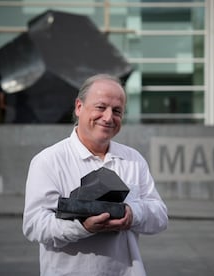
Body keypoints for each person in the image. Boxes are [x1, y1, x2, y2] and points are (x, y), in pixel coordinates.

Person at [23, 74, 168, 276]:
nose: (108, 117)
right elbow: (34, 226)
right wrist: (83, 227)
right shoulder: (48, 161)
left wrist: (132, 214)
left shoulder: (133, 159)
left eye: (117, 111)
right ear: (79, 107)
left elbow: (160, 216)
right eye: (101, 107)